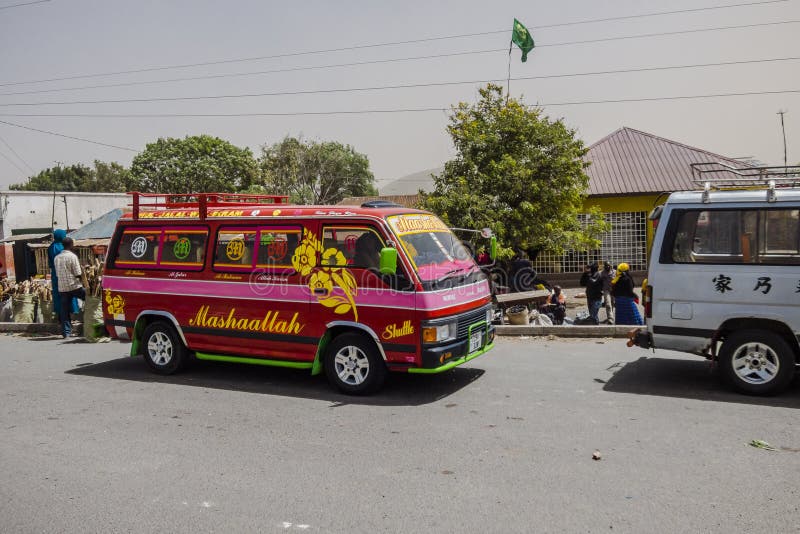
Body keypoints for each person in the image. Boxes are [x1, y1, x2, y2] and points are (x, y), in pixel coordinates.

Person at [54, 237, 86, 338]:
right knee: (90, 298)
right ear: (71, 245)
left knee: (65, 311)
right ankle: (89, 321)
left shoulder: (57, 258)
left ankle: (66, 333)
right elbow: (78, 273)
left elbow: (58, 273)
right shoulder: (72, 257)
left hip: (62, 288)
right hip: (74, 286)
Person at [48, 229, 79, 324]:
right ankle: (70, 317)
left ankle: (61, 318)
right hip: (66, 274)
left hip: (55, 275)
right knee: (70, 293)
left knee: (58, 296)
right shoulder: (64, 247)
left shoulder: (50, 247)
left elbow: (50, 263)